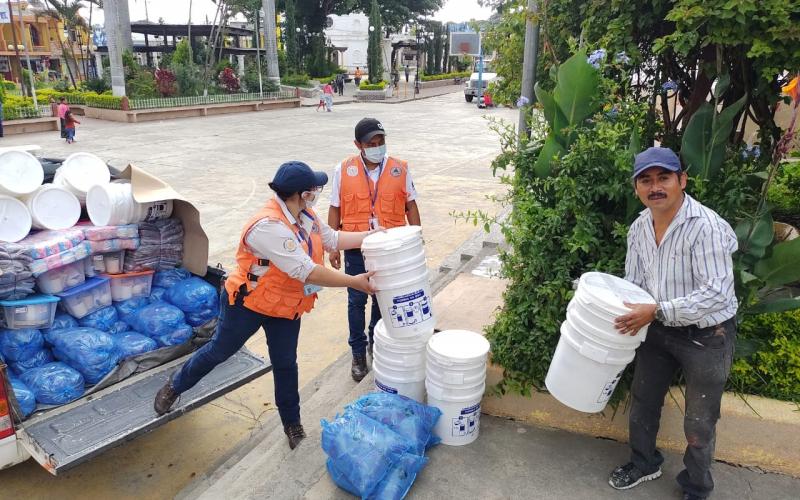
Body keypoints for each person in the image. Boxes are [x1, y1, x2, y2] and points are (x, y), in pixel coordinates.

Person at [153, 161, 379, 450]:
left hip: (285, 307)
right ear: (300, 194)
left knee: (286, 364)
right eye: (313, 189)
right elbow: (306, 271)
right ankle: (175, 385)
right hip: (249, 303)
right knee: (219, 351)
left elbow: (332, 238)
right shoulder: (268, 226)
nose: (316, 194)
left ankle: (292, 424)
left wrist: (371, 236)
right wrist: (354, 281)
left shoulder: (304, 214)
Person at [608, 147, 738, 500]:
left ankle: (696, 486)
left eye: (663, 177)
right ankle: (644, 462)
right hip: (658, 328)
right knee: (644, 400)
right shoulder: (639, 228)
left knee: (700, 418)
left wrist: (656, 310)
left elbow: (718, 294)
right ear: (637, 187)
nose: (655, 187)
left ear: (682, 180)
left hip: (708, 334)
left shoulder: (705, 227)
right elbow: (633, 281)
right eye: (646, 181)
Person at [327, 118, 421, 382]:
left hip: (391, 249)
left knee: (383, 298)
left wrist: (417, 239)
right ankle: (358, 353)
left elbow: (411, 206)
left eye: (381, 142)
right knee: (356, 301)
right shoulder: (343, 170)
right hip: (357, 247)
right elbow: (335, 208)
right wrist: (332, 245)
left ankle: (375, 342)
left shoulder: (399, 169)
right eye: (371, 144)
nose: (377, 148)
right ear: (358, 145)